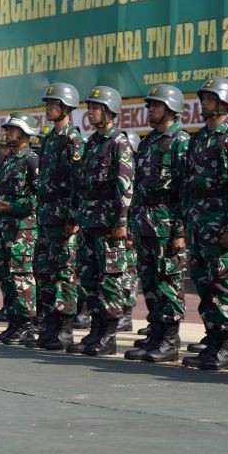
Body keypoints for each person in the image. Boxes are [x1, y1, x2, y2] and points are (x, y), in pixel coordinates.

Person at [181, 78, 228, 371]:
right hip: (198, 221)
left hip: (221, 223)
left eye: (208, 99)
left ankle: (226, 345)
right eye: (203, 98)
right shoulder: (197, 139)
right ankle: (212, 338)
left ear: (223, 103)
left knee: (222, 285)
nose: (203, 103)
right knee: (203, 284)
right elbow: (186, 184)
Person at [123, 84, 190, 363]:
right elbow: (138, 186)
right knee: (150, 281)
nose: (150, 109)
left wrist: (179, 230)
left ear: (170, 108)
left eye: (155, 105)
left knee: (168, 281)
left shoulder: (181, 142)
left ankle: (170, 339)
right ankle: (156, 333)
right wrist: (133, 224)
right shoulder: (149, 141)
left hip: (167, 224)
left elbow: (185, 191)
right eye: (149, 105)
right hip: (146, 223)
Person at [68, 86, 133, 356]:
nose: (90, 112)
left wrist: (121, 221)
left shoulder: (119, 142)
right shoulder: (93, 142)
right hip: (91, 220)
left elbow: (125, 184)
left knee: (110, 279)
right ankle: (95, 330)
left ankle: (109, 335)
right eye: (90, 107)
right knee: (90, 277)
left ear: (108, 111)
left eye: (95, 108)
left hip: (109, 223)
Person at [29, 83, 84, 350]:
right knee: (46, 272)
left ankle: (64, 329)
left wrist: (72, 218)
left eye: (53, 104)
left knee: (64, 272)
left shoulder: (73, 139)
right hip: (47, 216)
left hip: (63, 217)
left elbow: (76, 182)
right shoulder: (50, 139)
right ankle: (50, 324)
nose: (48, 107)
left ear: (66, 108)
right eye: (48, 103)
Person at [0, 112, 39, 346]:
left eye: (12, 129)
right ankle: (13, 323)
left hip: (23, 228)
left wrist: (15, 206)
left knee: (21, 276)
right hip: (3, 227)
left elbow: (41, 197)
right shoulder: (8, 160)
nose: (7, 133)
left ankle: (27, 325)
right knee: (5, 276)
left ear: (24, 133)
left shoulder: (32, 160)